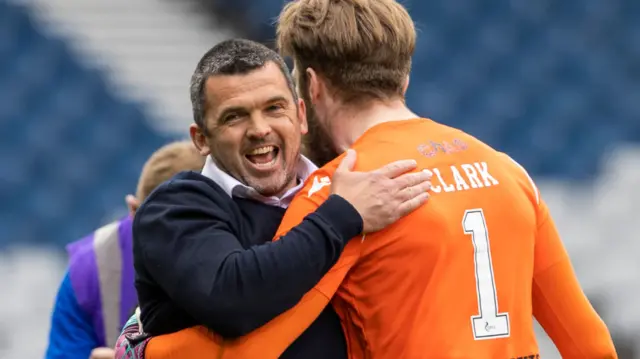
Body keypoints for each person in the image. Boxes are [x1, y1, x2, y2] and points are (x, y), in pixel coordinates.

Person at [132, 0, 619, 357]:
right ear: (403, 78)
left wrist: (147, 352)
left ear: (312, 88)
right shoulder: (508, 170)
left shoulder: (345, 191)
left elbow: (255, 349)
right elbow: (591, 342)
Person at [120, 39, 431, 359]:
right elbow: (232, 300)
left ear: (300, 115)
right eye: (234, 117)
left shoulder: (352, 190)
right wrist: (340, 217)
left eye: (274, 108)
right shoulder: (173, 210)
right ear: (202, 139)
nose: (259, 129)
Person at [45, 141, 206, 359]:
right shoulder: (90, 270)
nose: (175, 248)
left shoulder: (257, 255)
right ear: (133, 211)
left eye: (194, 230)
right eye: (162, 230)